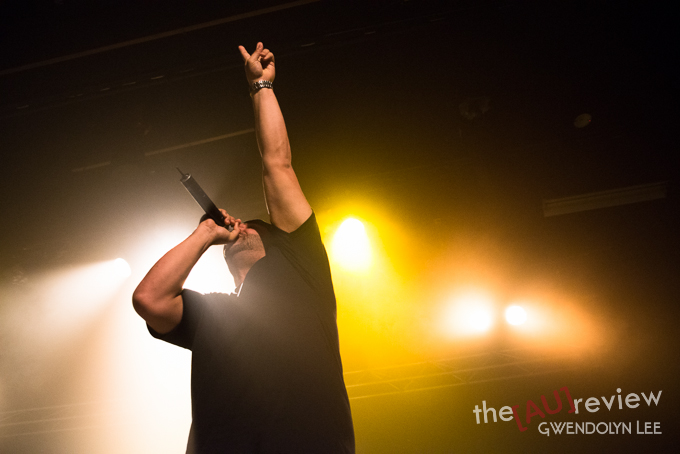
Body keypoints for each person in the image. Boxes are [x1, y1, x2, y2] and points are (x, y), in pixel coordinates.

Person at [132, 42, 355, 453]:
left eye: (254, 227)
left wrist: (261, 86)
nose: (241, 228)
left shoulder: (301, 269)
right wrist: (204, 234)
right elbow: (149, 299)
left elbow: (277, 164)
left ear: (279, 242)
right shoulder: (211, 313)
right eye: (236, 229)